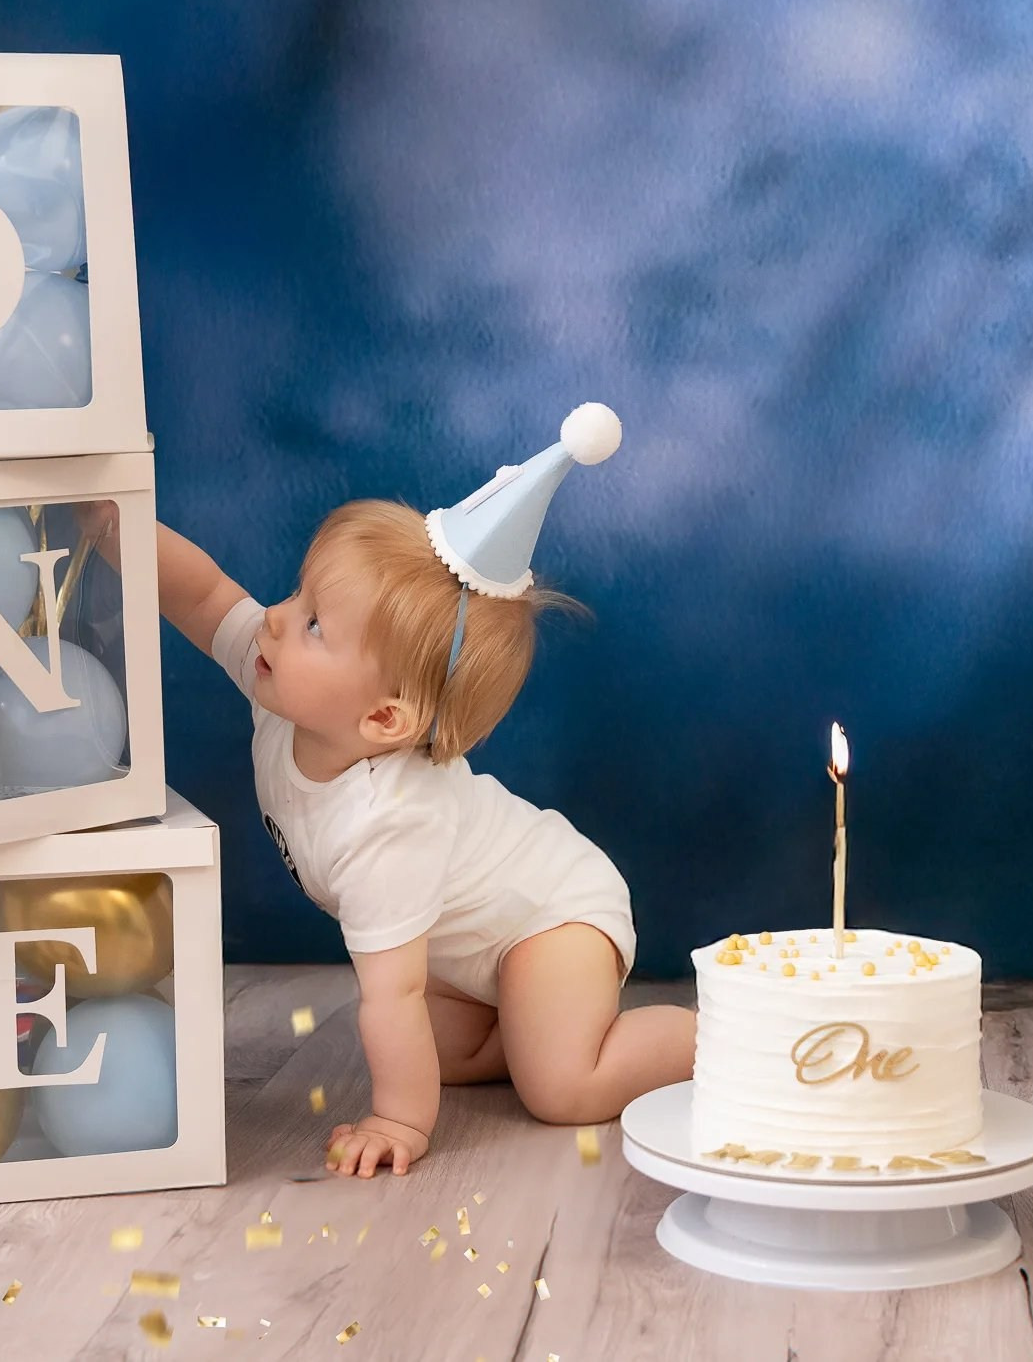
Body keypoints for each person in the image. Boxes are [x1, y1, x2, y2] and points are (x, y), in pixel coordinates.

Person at [99, 403, 695, 1178]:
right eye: (297, 597)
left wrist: (398, 1117)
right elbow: (205, 594)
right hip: (471, 951)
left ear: (384, 716)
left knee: (560, 1085)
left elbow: (394, 991)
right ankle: (523, 1022)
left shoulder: (388, 826)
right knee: (438, 1050)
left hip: (554, 917)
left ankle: (720, 1036)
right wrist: (110, 527)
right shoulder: (284, 682)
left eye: (313, 623)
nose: (273, 621)